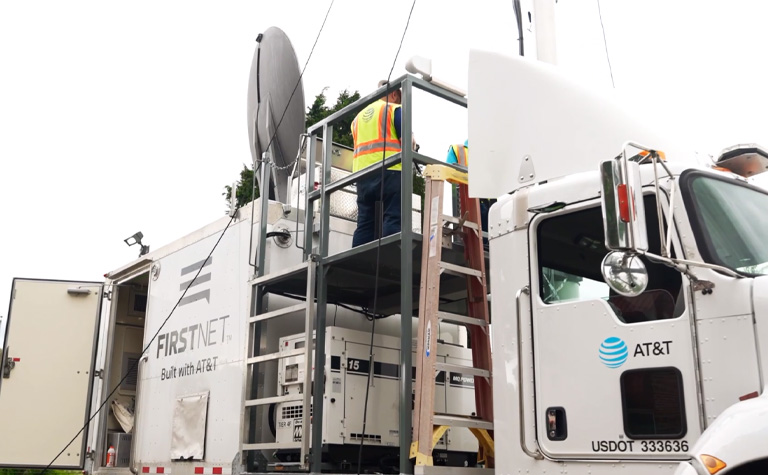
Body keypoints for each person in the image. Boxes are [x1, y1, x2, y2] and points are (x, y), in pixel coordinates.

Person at [350, 81, 404, 247]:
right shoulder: (393, 109)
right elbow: (407, 143)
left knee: (365, 222)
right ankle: (391, 256)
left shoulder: (357, 118)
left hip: (362, 175)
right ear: (394, 94)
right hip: (390, 170)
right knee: (393, 217)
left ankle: (358, 261)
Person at [445, 140, 495, 237]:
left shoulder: (490, 152)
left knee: (490, 240)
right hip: (469, 200)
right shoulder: (458, 149)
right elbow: (449, 174)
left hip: (490, 203)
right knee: (474, 239)